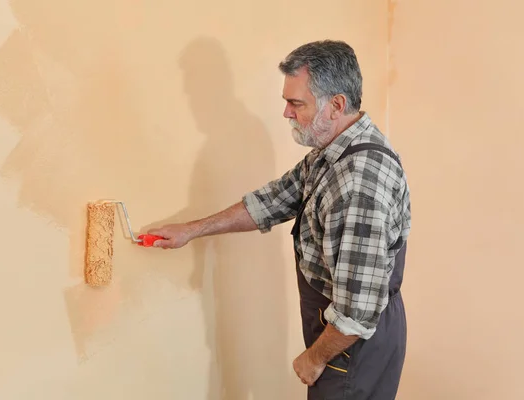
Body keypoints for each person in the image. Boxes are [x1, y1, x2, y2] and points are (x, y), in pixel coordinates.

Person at [146, 40, 411, 400]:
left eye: (296, 103)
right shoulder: (331, 151)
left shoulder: (360, 181)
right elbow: (273, 201)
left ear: (336, 105)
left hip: (351, 345)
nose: (286, 113)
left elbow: (358, 312)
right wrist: (191, 230)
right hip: (341, 330)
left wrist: (315, 358)